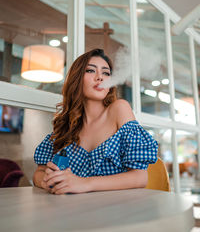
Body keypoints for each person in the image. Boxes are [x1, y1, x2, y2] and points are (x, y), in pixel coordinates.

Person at [33, 48, 158, 194]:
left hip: (116, 209)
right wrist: (46, 181)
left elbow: (140, 178)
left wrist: (84, 183)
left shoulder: (119, 109)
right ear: (77, 78)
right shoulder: (66, 126)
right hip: (72, 210)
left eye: (106, 73)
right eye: (91, 71)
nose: (100, 77)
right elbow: (39, 172)